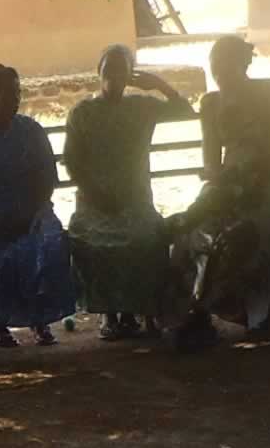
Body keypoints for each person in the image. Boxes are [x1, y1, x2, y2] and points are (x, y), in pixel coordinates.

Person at [172, 34, 270, 343]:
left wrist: (254, 179)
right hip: (231, 184)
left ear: (243, 65)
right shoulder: (212, 104)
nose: (219, 74)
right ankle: (196, 310)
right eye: (215, 67)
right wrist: (218, 179)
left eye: (226, 66)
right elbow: (212, 159)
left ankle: (266, 311)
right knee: (193, 230)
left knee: (251, 229)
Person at [63, 45, 193, 339]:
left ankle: (140, 310)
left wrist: (158, 84)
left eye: (122, 70)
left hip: (136, 202)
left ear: (130, 75)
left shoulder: (141, 107)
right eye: (109, 69)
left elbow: (184, 110)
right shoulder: (83, 113)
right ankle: (110, 315)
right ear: (99, 72)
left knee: (147, 237)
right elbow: (72, 161)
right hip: (94, 204)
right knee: (94, 242)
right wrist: (95, 194)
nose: (114, 76)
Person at [0, 65, 74, 347]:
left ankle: (39, 318)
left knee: (47, 243)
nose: (16, 99)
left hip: (32, 208)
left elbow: (47, 179)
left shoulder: (31, 132)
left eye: (18, 92)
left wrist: (28, 214)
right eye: (8, 93)